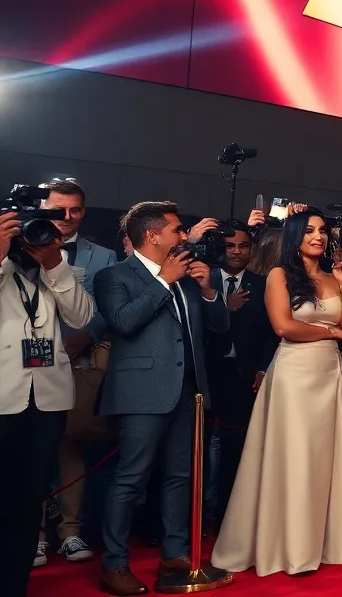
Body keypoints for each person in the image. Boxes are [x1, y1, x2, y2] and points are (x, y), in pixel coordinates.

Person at [212, 212, 342, 575]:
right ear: (296, 236)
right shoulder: (279, 275)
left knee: (325, 457)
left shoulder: (335, 277)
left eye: (323, 231)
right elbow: (284, 327)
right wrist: (329, 333)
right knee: (294, 456)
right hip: (293, 375)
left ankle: (325, 542)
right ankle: (288, 546)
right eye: (310, 230)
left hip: (331, 375)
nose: (318, 236)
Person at [94, 202, 229, 596]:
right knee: (131, 478)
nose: (184, 236)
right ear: (152, 235)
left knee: (180, 476)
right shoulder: (114, 275)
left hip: (189, 392)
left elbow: (220, 329)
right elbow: (123, 322)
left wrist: (208, 291)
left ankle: (174, 554)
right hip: (141, 392)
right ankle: (114, 564)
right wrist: (163, 281)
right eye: (177, 229)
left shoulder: (188, 276)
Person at [0, 209, 94, 597]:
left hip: (48, 399)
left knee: (28, 499)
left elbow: (82, 316)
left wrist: (55, 265)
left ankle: (14, 585)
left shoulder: (57, 264)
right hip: (3, 395)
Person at [34, 178, 117, 567]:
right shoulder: (20, 246)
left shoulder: (103, 256)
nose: (66, 217)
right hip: (26, 364)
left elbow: (108, 308)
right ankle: (33, 535)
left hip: (79, 364)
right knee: (32, 452)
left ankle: (70, 531)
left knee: (72, 447)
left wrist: (86, 337)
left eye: (75, 210)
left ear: (84, 212)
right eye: (58, 209)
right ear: (43, 207)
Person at [204, 223, 276, 524]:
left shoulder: (263, 284)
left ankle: (227, 516)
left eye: (243, 246)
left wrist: (263, 368)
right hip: (205, 374)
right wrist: (225, 306)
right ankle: (196, 515)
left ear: (251, 249)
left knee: (236, 449)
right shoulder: (202, 278)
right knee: (198, 447)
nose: (236, 251)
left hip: (244, 377)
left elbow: (270, 333)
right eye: (230, 246)